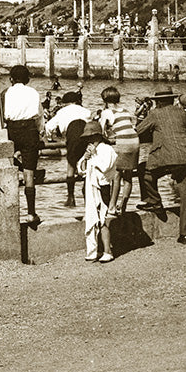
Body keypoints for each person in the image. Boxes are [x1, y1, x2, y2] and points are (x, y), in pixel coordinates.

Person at [136, 89, 186, 243]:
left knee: (145, 172)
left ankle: (154, 201)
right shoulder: (182, 113)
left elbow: (139, 130)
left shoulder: (154, 113)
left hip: (166, 157)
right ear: (172, 100)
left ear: (158, 102)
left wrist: (141, 115)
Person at [3, 65, 44, 227]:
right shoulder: (33, 92)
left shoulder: (6, 93)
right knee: (29, 174)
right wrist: (40, 132)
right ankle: (31, 213)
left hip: (11, 130)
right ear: (27, 79)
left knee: (7, 166)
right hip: (29, 130)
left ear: (11, 79)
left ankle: (8, 211)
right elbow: (39, 116)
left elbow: (2, 114)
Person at [77, 121, 118, 263]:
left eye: (93, 137)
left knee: (103, 220)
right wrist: (86, 158)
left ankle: (108, 250)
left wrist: (94, 156)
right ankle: (93, 250)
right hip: (90, 187)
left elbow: (105, 167)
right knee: (91, 217)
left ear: (99, 137)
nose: (90, 141)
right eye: (88, 138)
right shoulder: (89, 150)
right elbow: (81, 169)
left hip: (103, 187)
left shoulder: (107, 149)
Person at [44, 90, 90, 208]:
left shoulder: (61, 112)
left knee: (70, 166)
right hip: (86, 137)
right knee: (86, 166)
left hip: (72, 135)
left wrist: (50, 139)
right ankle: (87, 198)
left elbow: (48, 127)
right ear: (77, 101)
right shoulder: (86, 111)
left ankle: (71, 197)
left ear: (65, 103)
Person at [99, 86, 138, 219]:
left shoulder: (107, 112)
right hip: (134, 141)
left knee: (116, 175)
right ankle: (123, 205)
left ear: (105, 99)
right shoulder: (126, 111)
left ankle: (111, 207)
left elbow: (101, 130)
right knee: (128, 175)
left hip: (123, 143)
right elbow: (131, 126)